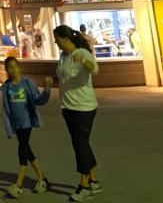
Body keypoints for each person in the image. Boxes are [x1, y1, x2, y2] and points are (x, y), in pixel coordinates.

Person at [50, 25, 102, 201]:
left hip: (83, 108)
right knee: (82, 145)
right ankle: (94, 181)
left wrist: (84, 62)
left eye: (57, 39)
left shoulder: (82, 53)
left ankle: (84, 186)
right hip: (68, 107)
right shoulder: (63, 56)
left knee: (80, 146)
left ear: (65, 39)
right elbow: (64, 77)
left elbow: (95, 69)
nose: (56, 42)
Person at [1, 56, 51, 198]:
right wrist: (9, 128)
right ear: (7, 70)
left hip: (27, 122)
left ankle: (18, 185)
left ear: (19, 67)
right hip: (16, 124)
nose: (14, 69)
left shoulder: (28, 83)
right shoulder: (6, 87)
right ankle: (43, 179)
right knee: (27, 151)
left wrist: (47, 90)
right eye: (10, 67)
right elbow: (6, 110)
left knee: (22, 151)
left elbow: (38, 100)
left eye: (15, 66)